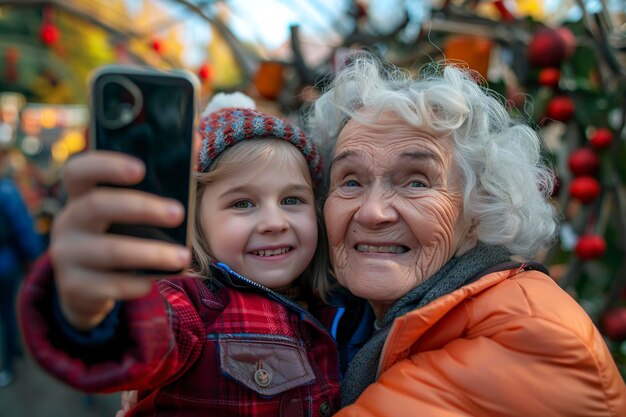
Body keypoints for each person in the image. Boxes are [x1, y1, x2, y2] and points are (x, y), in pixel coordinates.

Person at [22, 54, 626, 417]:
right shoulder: (345, 313)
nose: (374, 211)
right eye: (349, 181)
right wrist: (91, 303)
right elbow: (157, 328)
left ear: (479, 206)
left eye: (416, 181)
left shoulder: (529, 334)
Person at [19, 93, 342, 416]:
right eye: (242, 203)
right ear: (196, 221)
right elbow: (143, 335)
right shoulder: (192, 303)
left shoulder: (333, 303)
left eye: (291, 200)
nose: (274, 222)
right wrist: (89, 307)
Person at [0, 149, 43, 387]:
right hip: (7, 263)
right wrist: (33, 259)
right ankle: (10, 358)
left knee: (5, 313)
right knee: (7, 312)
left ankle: (9, 358)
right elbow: (24, 227)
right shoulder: (6, 189)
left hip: (5, 263)